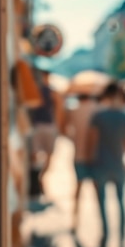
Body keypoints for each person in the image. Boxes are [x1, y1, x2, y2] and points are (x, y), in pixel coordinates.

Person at [85, 82, 125, 247]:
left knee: (102, 203)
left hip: (100, 163)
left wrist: (89, 160)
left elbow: (92, 141)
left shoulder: (98, 116)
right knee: (121, 203)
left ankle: (105, 237)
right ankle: (121, 240)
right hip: (118, 165)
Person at [64, 93, 98, 234]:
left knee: (77, 190)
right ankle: (101, 225)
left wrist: (74, 138)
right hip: (96, 156)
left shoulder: (74, 110)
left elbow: (63, 129)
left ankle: (74, 220)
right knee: (98, 193)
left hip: (78, 154)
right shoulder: (98, 109)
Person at [27, 68, 64, 199]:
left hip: (47, 126)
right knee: (35, 156)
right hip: (38, 126)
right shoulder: (37, 90)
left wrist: (58, 127)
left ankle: (39, 179)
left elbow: (59, 109)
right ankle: (35, 182)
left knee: (47, 157)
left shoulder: (51, 92)